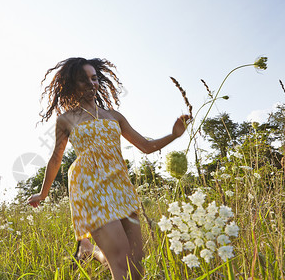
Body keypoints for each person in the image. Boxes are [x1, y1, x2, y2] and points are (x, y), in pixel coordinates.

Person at [28, 57, 190, 279]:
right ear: (71, 85)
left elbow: (146, 146)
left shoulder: (114, 116)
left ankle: (89, 250)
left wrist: (174, 135)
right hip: (90, 188)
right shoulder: (67, 119)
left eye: (94, 79)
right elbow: (56, 158)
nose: (91, 84)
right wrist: (43, 193)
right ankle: (90, 249)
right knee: (120, 262)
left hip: (120, 187)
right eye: (83, 80)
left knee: (136, 265)